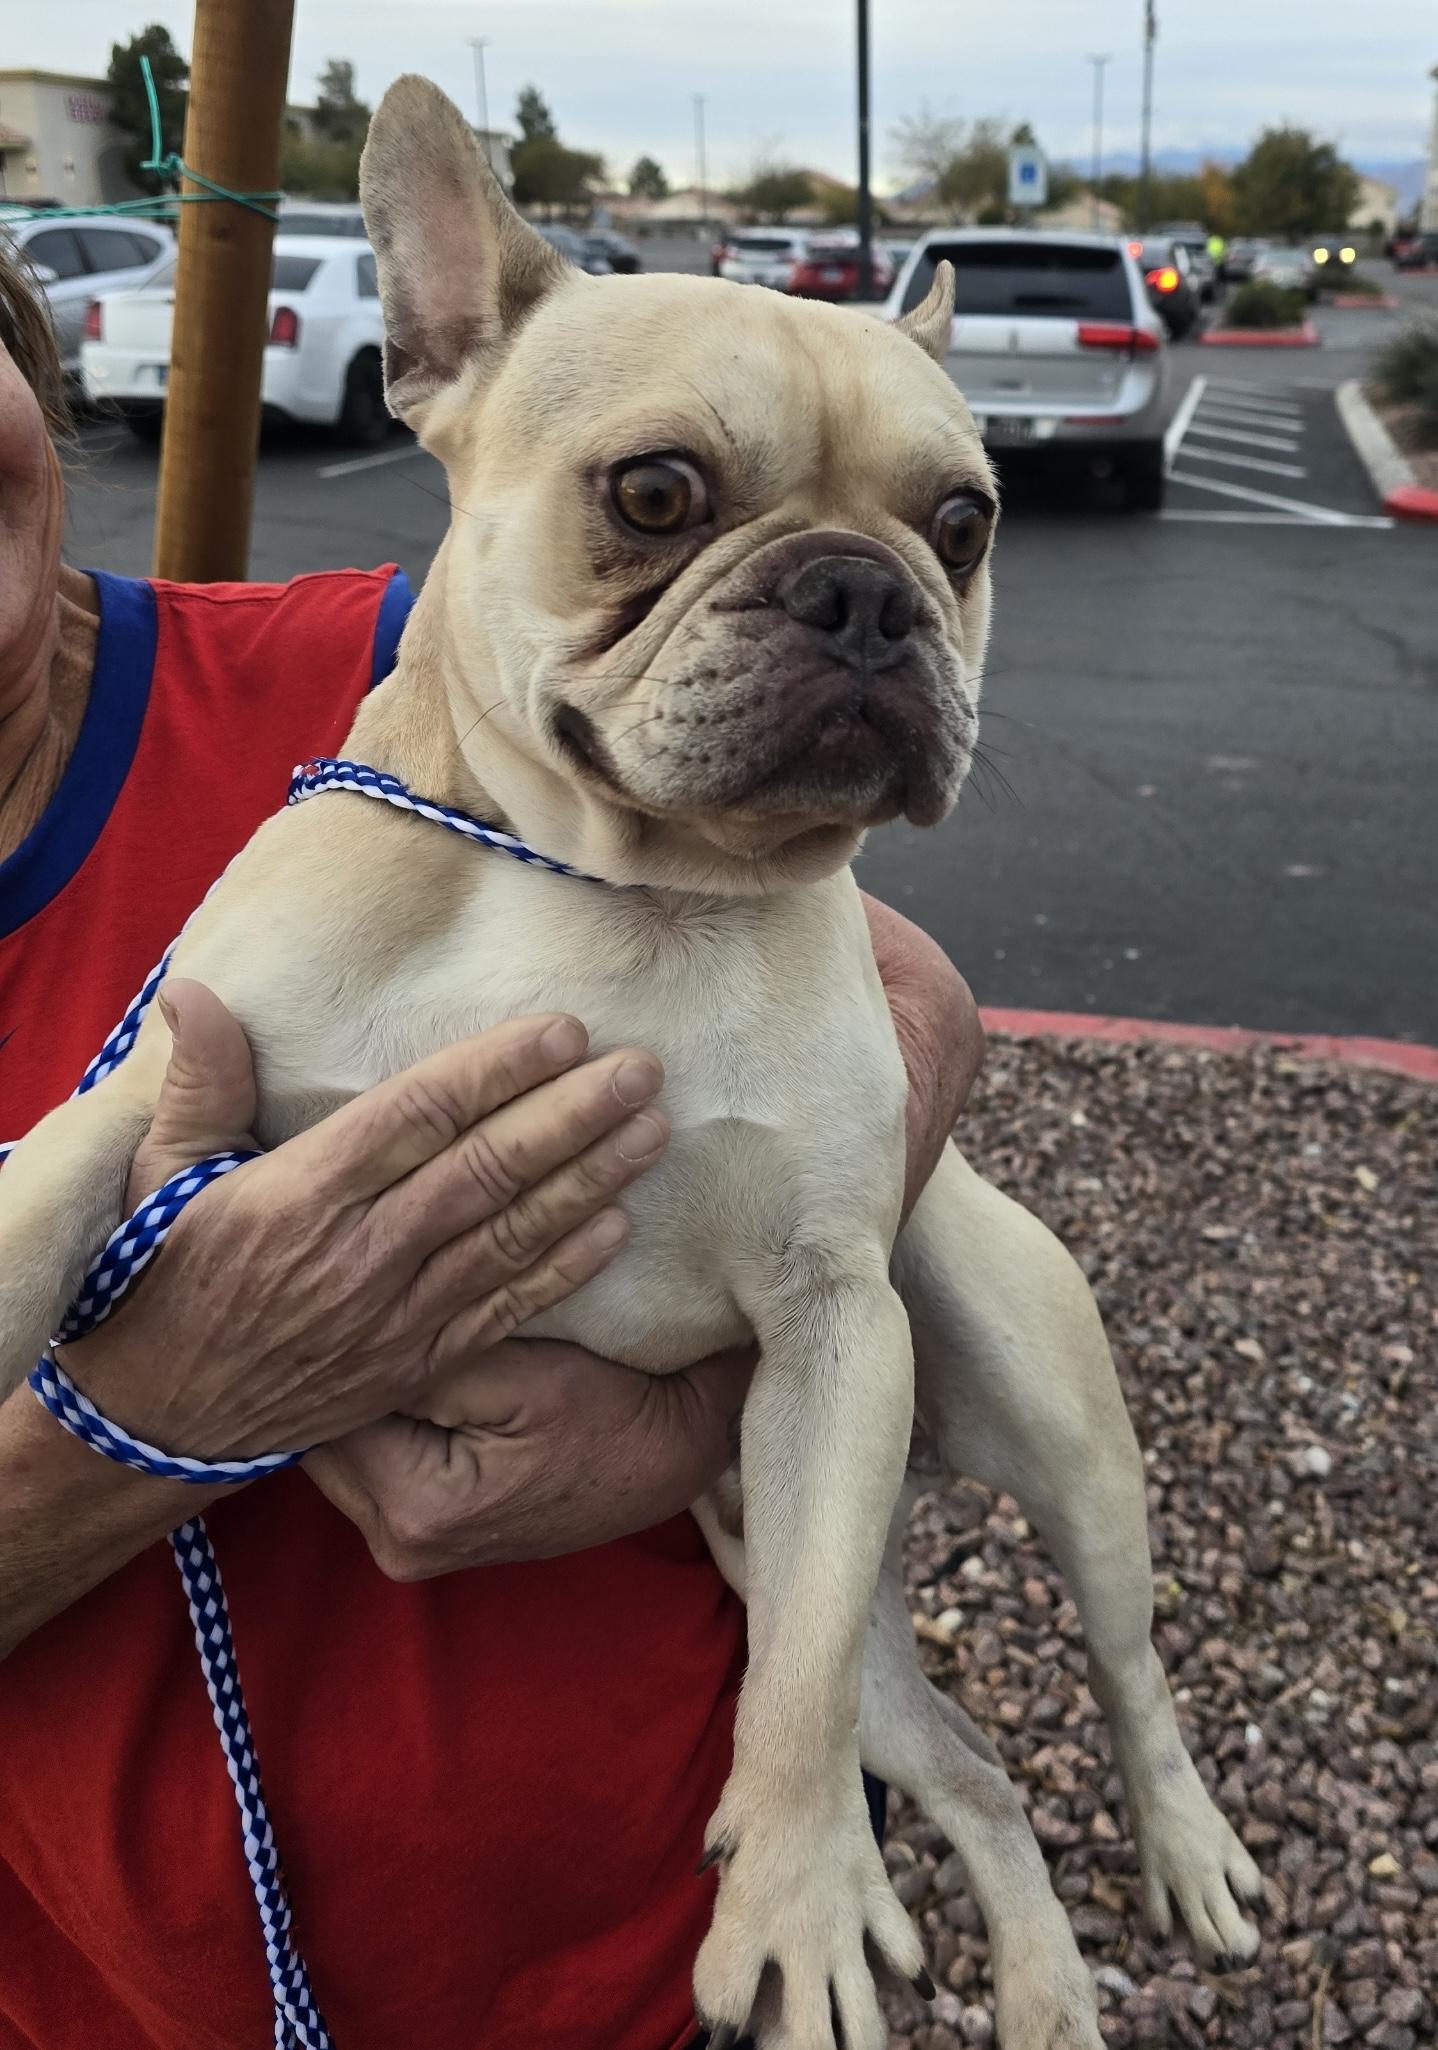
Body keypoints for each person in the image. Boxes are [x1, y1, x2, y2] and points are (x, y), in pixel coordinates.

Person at [0, 240, 984, 2050]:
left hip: (643, 1928)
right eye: (660, 501)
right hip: (86, 1992)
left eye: (952, 538)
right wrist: (158, 1418)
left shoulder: (403, 660)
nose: (864, 605)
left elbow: (906, 1006)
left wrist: (691, 1400)